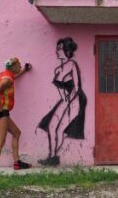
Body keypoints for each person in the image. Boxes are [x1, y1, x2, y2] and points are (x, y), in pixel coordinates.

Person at [37, 38, 86, 166]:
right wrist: (64, 98)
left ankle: (53, 157)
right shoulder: (57, 70)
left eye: (59, 48)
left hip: (76, 98)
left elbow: (77, 85)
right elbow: (60, 89)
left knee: (60, 130)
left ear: (66, 51)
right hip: (65, 99)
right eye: (57, 48)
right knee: (51, 127)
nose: (57, 51)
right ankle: (52, 157)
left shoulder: (72, 64)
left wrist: (70, 100)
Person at [0, 56, 33, 173]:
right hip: (0, 112)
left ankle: (17, 163)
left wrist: (24, 71)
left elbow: (13, 78)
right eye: (19, 65)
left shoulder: (6, 75)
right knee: (0, 141)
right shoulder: (7, 79)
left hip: (2, 112)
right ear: (13, 67)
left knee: (16, 133)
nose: (20, 66)